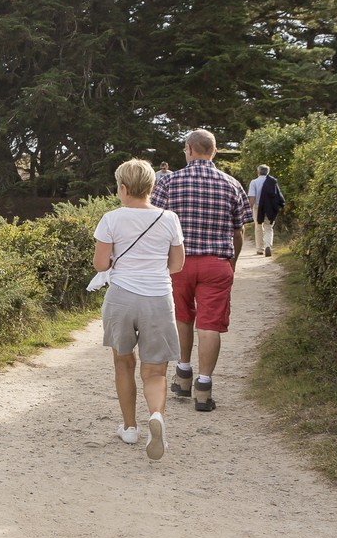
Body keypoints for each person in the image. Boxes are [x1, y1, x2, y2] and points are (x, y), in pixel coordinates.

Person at [151, 129, 251, 412]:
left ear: (190, 150)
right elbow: (239, 231)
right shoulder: (232, 184)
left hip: (178, 263)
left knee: (182, 316)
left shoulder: (169, 182)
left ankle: (183, 375)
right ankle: (204, 388)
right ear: (214, 151)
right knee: (209, 325)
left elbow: (156, 224)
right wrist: (231, 262)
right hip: (216, 264)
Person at [92, 159, 185, 459]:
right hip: (158, 297)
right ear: (152, 186)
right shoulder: (169, 219)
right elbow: (177, 264)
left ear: (122, 188)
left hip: (121, 297)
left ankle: (130, 428)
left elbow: (100, 264)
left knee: (123, 363)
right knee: (155, 369)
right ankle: (156, 416)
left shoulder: (110, 219)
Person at [247, 165, 286, 256]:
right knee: (268, 227)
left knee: (258, 227)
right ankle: (268, 245)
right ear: (268, 172)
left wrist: (249, 208)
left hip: (258, 207)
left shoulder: (254, 182)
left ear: (258, 172)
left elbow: (252, 197)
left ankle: (260, 249)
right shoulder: (272, 181)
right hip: (270, 208)